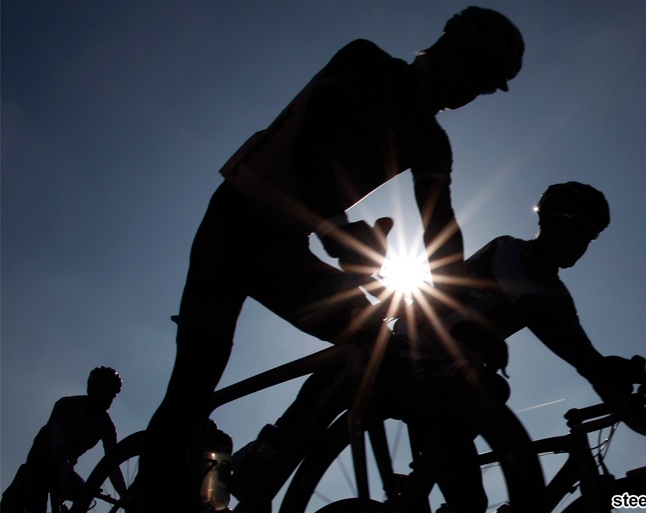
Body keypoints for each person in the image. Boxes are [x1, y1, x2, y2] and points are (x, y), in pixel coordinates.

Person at [137, 6, 525, 512]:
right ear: (450, 49)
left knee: (374, 343)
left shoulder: (432, 141)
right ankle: (150, 492)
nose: (475, 93)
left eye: (488, 86)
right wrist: (337, 231)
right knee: (197, 372)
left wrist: (458, 311)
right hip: (236, 220)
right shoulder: (366, 63)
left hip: (287, 245)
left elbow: (440, 227)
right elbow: (311, 144)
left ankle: (270, 457)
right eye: (478, 75)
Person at [385, 182, 646, 513]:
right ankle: (415, 491)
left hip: (456, 370)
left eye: (593, 235)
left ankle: (415, 493)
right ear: (549, 221)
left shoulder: (558, 295)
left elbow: (585, 361)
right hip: (411, 350)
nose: (584, 242)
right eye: (580, 227)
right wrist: (600, 365)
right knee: (489, 391)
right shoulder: (510, 250)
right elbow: (534, 313)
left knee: (470, 505)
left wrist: (644, 421)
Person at [1, 367, 127, 513]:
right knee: (35, 504)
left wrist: (125, 496)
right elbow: (57, 439)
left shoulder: (106, 426)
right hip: (40, 462)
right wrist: (66, 470)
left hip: (64, 469)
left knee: (81, 496)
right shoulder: (67, 406)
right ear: (91, 389)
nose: (106, 399)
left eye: (111, 394)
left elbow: (112, 463)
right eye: (102, 392)